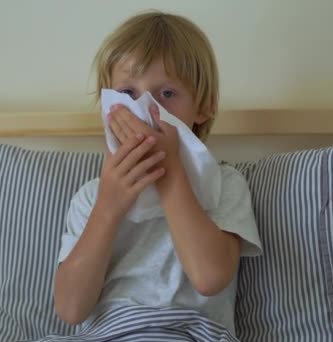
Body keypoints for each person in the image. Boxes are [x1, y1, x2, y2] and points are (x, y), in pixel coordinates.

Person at [54, 10, 262, 336]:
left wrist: (171, 175)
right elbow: (69, 309)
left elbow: (209, 278)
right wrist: (108, 206)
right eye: (127, 94)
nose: (146, 111)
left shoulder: (224, 186)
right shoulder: (92, 196)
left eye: (166, 94)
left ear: (204, 105)